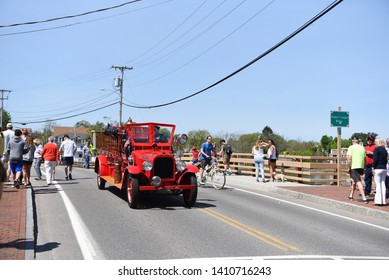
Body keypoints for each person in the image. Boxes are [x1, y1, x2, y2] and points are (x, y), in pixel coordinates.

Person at [347, 138, 368, 203]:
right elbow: (365, 159)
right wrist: (364, 167)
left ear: (352, 142)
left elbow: (349, 159)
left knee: (358, 181)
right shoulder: (362, 148)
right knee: (354, 180)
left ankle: (364, 198)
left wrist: (348, 167)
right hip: (361, 166)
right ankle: (351, 195)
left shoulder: (351, 147)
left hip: (354, 166)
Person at [372, 138, 387, 206]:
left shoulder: (376, 149)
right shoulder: (385, 150)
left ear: (378, 142)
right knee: (383, 184)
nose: (375, 143)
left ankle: (378, 201)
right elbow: (386, 160)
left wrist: (373, 167)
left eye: (375, 142)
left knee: (378, 185)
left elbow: (375, 159)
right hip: (384, 168)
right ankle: (383, 201)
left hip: (378, 168)